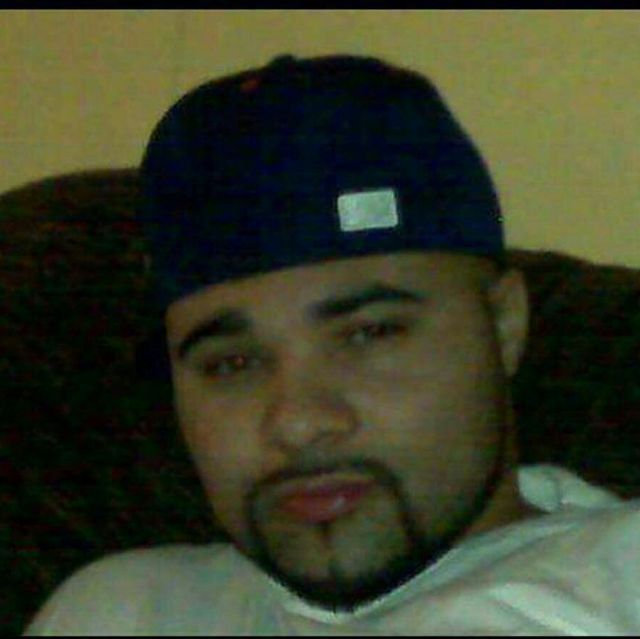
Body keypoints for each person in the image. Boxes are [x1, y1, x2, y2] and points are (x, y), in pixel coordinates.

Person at [24, 54, 640, 636]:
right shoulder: (121, 610)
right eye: (231, 363)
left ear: (504, 324)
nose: (298, 422)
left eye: (369, 334)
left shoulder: (616, 580)